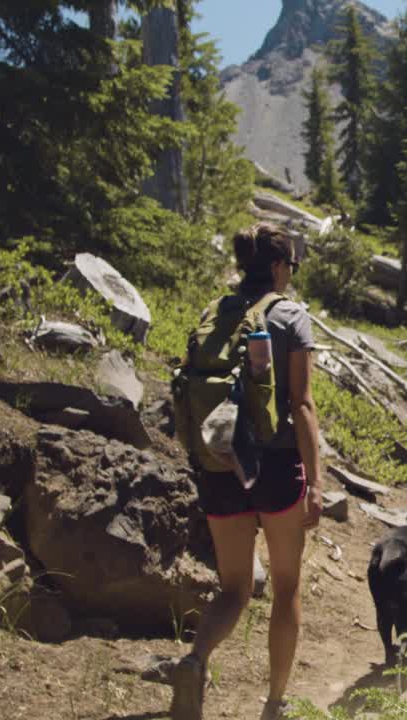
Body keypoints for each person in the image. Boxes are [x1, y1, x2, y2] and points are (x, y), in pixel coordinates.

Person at [171, 223, 323, 720]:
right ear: (278, 267)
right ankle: (275, 705)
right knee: (286, 587)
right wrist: (316, 481)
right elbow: (301, 404)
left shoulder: (216, 312)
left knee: (233, 588)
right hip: (276, 469)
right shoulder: (290, 317)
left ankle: (194, 662)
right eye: (290, 266)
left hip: (221, 464)